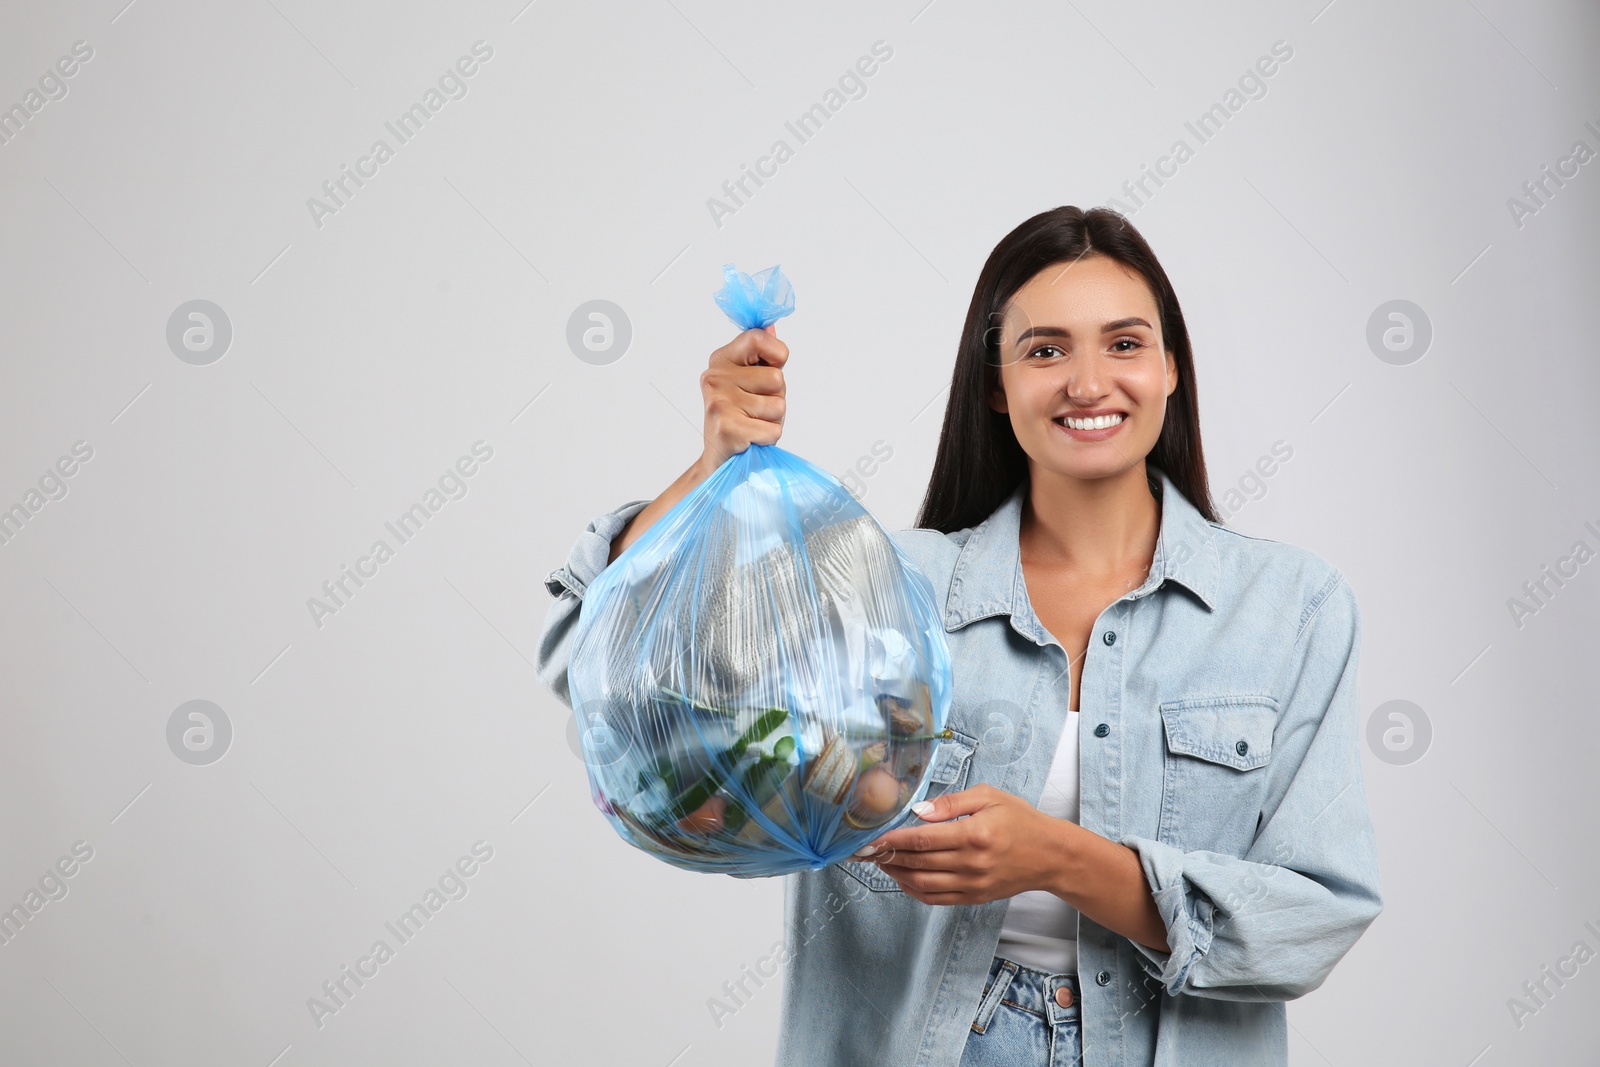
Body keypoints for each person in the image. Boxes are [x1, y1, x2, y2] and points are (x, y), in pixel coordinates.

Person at [537, 205, 1383, 1067]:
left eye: (1124, 344)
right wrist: (710, 469)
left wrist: (1056, 856)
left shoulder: (1292, 608)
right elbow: (603, 679)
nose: (1088, 383)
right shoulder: (882, 585)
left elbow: (1314, 918)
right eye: (1045, 350)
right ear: (995, 383)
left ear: (1171, 369)